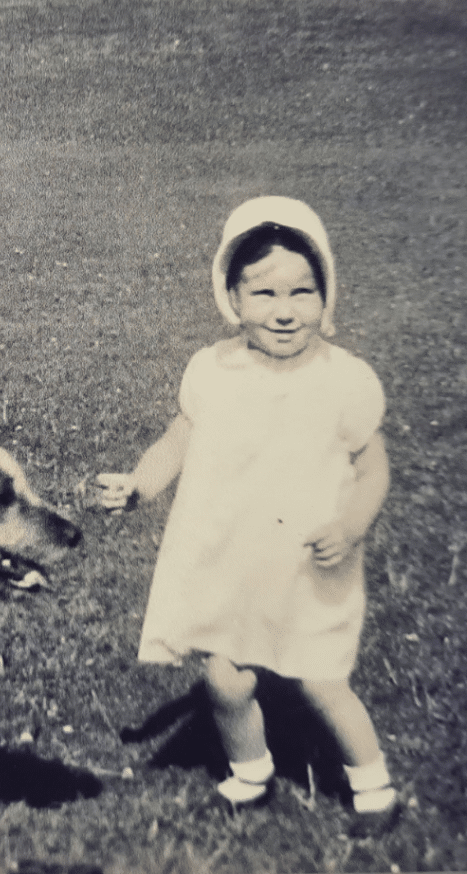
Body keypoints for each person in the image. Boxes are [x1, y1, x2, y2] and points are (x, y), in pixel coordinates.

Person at [96, 196, 398, 831]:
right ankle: (250, 770)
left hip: (313, 563)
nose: (285, 311)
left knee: (320, 681)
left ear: (327, 295)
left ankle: (373, 785)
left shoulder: (344, 381)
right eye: (263, 293)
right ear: (231, 299)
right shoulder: (213, 370)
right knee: (226, 678)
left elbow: (373, 470)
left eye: (303, 292)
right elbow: (179, 438)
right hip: (237, 559)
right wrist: (141, 485)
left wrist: (350, 527)